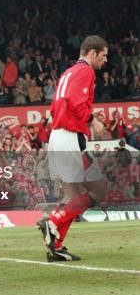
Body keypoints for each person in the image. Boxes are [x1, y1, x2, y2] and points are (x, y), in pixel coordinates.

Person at [38, 36, 109, 262]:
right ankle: (53, 222)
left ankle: (56, 245)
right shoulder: (86, 71)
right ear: (92, 53)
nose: (105, 60)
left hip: (59, 134)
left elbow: (54, 107)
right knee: (98, 190)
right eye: (104, 55)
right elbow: (74, 99)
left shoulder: (67, 72)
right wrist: (93, 121)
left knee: (73, 195)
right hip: (71, 136)